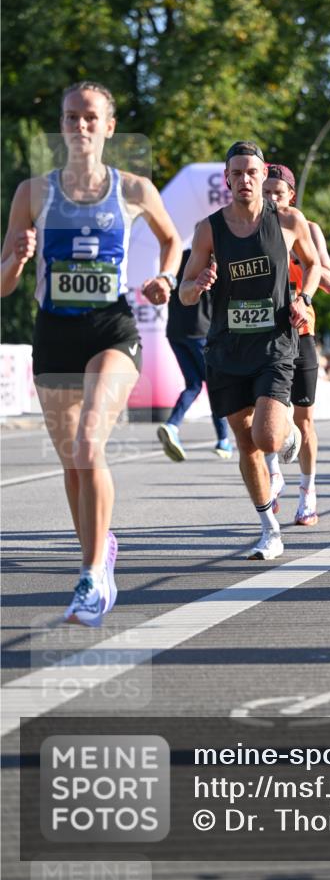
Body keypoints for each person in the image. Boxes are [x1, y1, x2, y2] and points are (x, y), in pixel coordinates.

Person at [0, 80, 181, 626]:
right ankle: (102, 547)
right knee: (73, 467)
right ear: (62, 126)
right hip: (54, 331)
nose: (79, 125)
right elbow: (4, 285)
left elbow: (172, 241)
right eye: (71, 117)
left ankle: (92, 575)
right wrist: (18, 260)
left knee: (87, 445)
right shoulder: (33, 193)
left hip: (111, 330)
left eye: (90, 117)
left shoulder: (134, 189)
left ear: (109, 126)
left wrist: (165, 279)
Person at [179, 141, 321, 560]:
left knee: (267, 436)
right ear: (227, 179)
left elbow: (313, 264)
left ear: (263, 175)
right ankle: (269, 530)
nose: (245, 179)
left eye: (252, 172)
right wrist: (198, 284)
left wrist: (304, 299)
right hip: (226, 349)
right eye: (237, 173)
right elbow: (184, 292)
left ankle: (289, 433)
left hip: (274, 344)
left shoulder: (289, 220)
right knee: (246, 445)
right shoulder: (209, 229)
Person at [261, 164, 330, 525]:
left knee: (304, 419)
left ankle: (308, 492)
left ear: (291, 195)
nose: (271, 199)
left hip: (301, 330)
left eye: (278, 193)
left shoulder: (307, 228)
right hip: (263, 333)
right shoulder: (248, 227)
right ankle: (273, 475)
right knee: (262, 412)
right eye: (266, 192)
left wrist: (297, 259)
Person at [156, 246, 234, 462]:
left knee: (194, 384)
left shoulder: (177, 258)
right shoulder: (212, 260)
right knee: (216, 384)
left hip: (175, 332)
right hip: (200, 332)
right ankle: (223, 440)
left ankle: (172, 425)